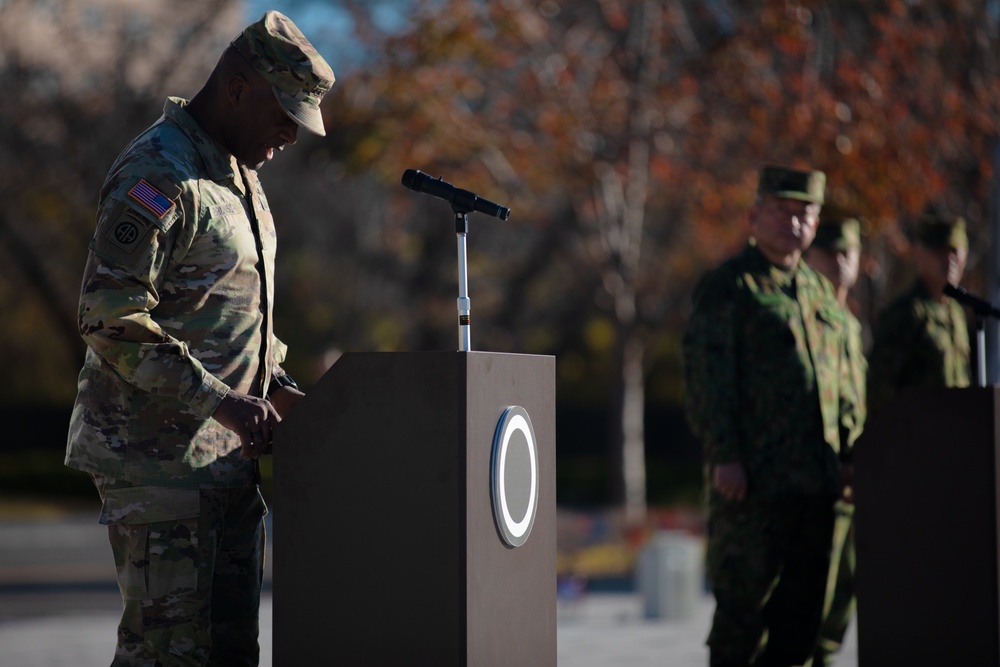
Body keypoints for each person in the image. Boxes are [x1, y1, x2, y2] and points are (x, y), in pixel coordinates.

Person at [64, 11, 334, 665]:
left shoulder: (240, 177)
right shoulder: (159, 174)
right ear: (238, 88)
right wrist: (222, 401)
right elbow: (108, 315)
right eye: (284, 113)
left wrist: (278, 390)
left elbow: (233, 317)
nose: (291, 135)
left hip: (224, 466)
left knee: (228, 651)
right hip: (160, 470)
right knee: (169, 655)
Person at [683, 165, 861, 667]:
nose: (794, 222)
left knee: (801, 625)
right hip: (753, 487)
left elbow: (844, 385)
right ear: (754, 215)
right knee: (742, 622)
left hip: (817, 486)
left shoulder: (820, 293)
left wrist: (848, 456)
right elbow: (705, 379)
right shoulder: (730, 287)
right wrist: (725, 455)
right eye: (781, 211)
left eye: (805, 213)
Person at [804, 215, 867, 666]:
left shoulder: (849, 323)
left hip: (853, 484)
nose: (841, 262)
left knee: (841, 603)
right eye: (830, 253)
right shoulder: (807, 316)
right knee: (806, 609)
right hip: (815, 481)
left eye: (849, 253)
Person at [867, 214, 970, 417]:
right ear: (920, 254)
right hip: (919, 438)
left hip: (956, 435)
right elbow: (881, 391)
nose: (949, 260)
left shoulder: (956, 313)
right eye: (940, 252)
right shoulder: (906, 314)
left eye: (955, 252)